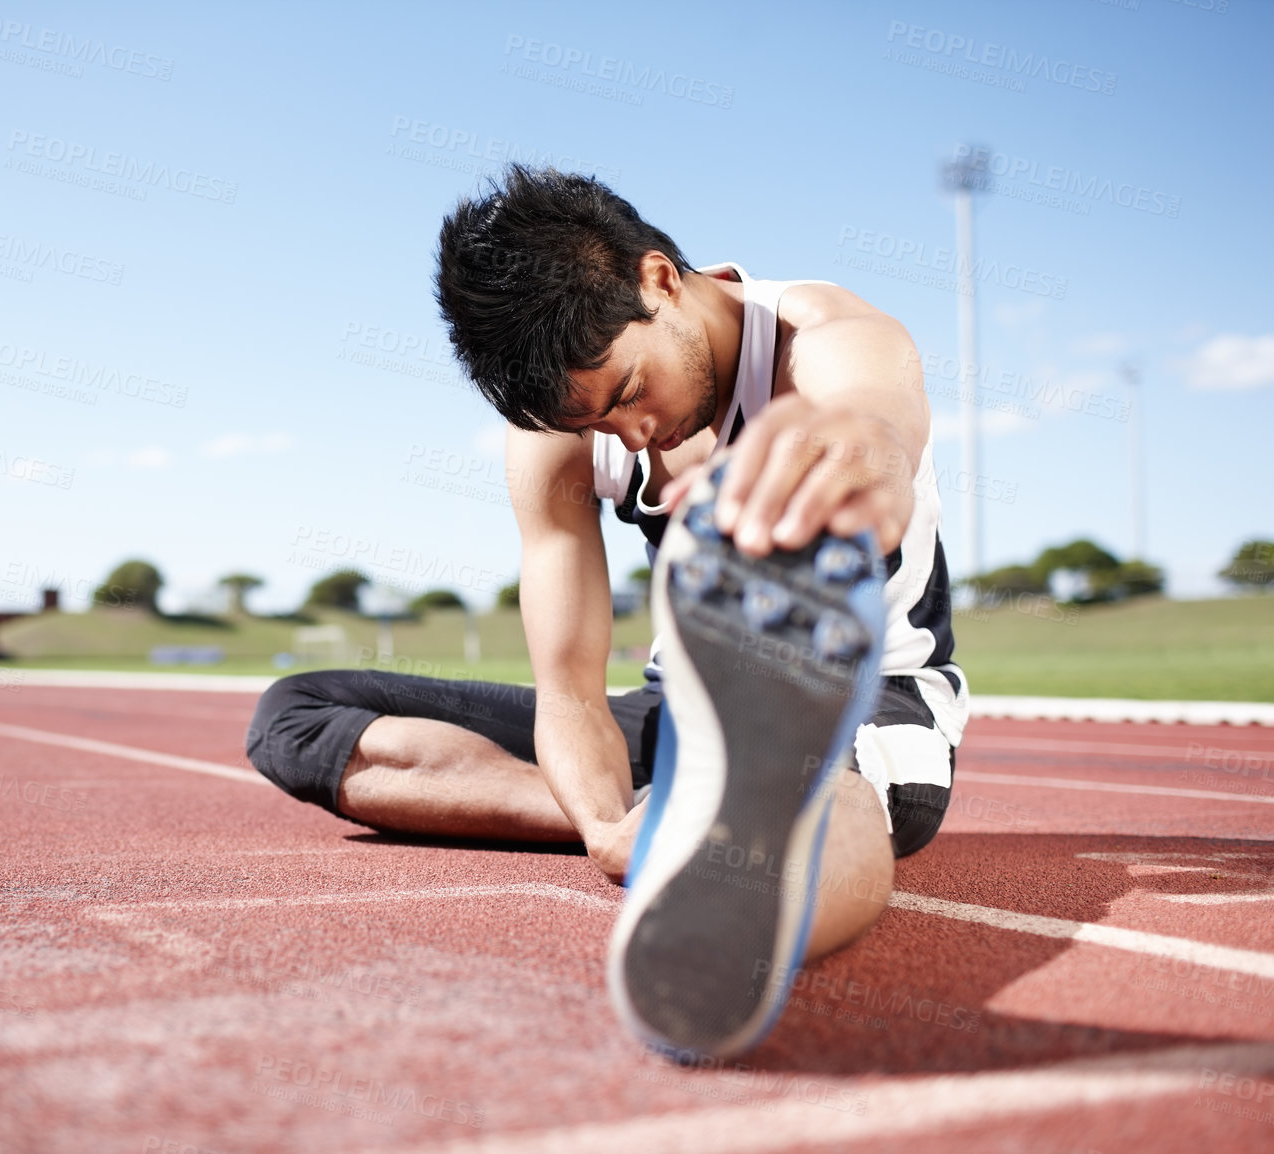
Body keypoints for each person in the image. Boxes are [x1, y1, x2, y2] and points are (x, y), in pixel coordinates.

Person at [246, 165, 967, 1056]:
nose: (629, 436)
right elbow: (569, 692)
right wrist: (599, 826)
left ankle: (750, 911)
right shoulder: (560, 430)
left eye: (626, 393)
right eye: (592, 424)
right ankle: (682, 817)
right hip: (679, 709)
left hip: (872, 700)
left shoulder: (825, 337)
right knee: (297, 719)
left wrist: (840, 454)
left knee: (834, 796)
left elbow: (877, 430)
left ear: (659, 280)